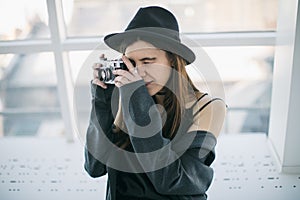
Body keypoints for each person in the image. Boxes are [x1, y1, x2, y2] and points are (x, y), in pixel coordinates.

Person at [84, 6, 226, 200]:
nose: (139, 72)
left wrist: (136, 101)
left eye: (148, 61)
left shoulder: (208, 107)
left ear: (173, 62)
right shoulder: (124, 99)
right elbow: (94, 167)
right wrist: (102, 98)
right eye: (132, 64)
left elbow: (172, 180)